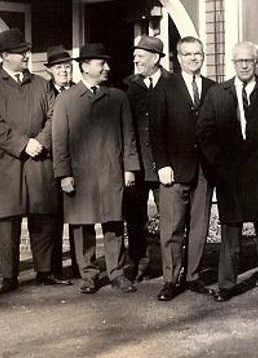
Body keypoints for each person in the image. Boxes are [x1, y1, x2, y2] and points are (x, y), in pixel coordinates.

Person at [0, 28, 67, 294]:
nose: (26, 55)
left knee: (42, 217)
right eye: (20, 52)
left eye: (26, 51)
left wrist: (40, 141)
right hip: (7, 163)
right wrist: (23, 144)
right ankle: (9, 277)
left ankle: (44, 271)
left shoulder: (41, 84)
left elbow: (55, 116)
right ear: (4, 56)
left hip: (39, 160)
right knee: (9, 220)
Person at [198, 41, 258, 301]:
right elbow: (205, 133)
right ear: (233, 63)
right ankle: (226, 284)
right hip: (230, 175)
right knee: (231, 232)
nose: (245, 65)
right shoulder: (217, 93)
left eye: (249, 60)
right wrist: (219, 166)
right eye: (240, 61)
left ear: (256, 62)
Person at [53, 43, 140, 293]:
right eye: (102, 64)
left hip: (111, 170)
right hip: (79, 175)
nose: (107, 68)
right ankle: (88, 275)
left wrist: (129, 168)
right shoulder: (66, 99)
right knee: (82, 226)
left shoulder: (118, 97)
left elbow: (129, 135)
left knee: (113, 222)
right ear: (85, 67)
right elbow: (59, 140)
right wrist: (64, 173)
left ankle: (117, 273)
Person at [150, 36, 216, 301]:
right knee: (172, 227)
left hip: (205, 169)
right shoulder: (165, 87)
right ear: (178, 58)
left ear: (203, 56)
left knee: (199, 225)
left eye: (198, 54)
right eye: (188, 54)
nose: (193, 58)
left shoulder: (213, 88)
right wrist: (162, 164)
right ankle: (170, 279)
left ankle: (194, 276)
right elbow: (155, 131)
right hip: (174, 169)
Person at [123, 35, 168, 283]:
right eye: (135, 57)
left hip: (164, 165)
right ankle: (139, 264)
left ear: (156, 58)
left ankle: (171, 267)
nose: (136, 60)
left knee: (170, 218)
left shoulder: (172, 84)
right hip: (137, 165)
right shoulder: (128, 86)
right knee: (135, 218)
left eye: (141, 56)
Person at [43, 45, 78, 278]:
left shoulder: (79, 91)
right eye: (58, 68)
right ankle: (54, 268)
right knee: (52, 217)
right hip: (48, 162)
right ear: (50, 71)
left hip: (76, 161)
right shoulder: (43, 93)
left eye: (67, 67)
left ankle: (80, 266)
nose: (64, 71)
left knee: (78, 215)